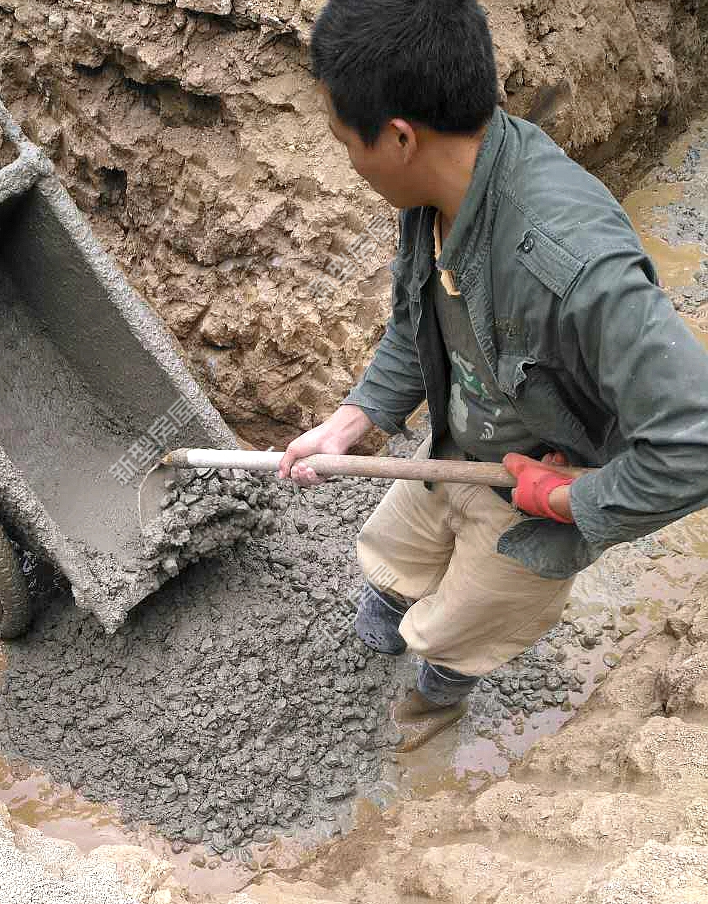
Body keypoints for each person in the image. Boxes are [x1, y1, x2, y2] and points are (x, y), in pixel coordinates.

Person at [279, 0, 708, 750]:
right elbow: (416, 322)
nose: (348, 162)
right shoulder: (435, 190)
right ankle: (381, 633)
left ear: (400, 137)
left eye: (346, 143)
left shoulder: (577, 266)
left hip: (537, 491)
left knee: (463, 625)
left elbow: (694, 445)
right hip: (457, 444)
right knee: (395, 552)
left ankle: (435, 698)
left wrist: (567, 497)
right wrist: (350, 422)